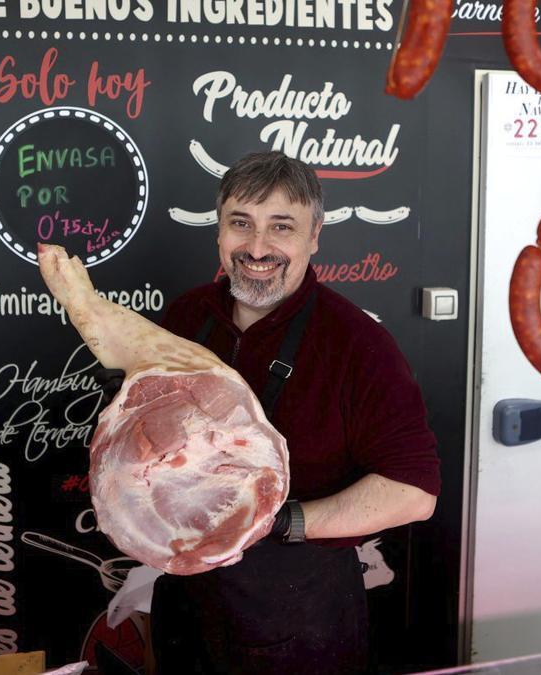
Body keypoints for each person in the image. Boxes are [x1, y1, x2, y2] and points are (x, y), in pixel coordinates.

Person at [148, 151, 441, 673]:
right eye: (241, 223)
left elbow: (414, 492)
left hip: (300, 616)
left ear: (314, 236)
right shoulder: (184, 317)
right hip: (185, 602)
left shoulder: (359, 344)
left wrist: (282, 521)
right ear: (219, 230)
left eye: (281, 227)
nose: (257, 248)